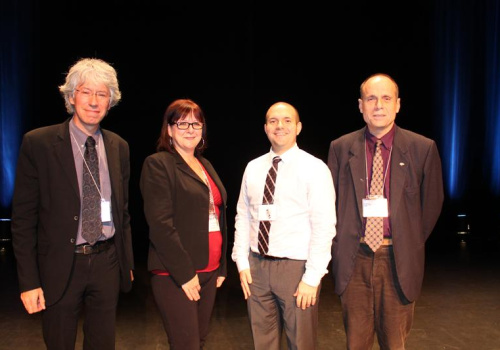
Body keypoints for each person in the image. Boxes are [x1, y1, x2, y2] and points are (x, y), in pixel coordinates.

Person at [11, 57, 134, 349]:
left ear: (110, 101)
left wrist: (125, 262)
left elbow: (123, 212)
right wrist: (29, 282)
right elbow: (23, 220)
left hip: (107, 263)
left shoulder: (119, 146)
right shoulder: (38, 143)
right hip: (59, 266)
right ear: (71, 96)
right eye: (86, 92)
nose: (94, 101)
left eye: (102, 94)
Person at [327, 73, 444, 349]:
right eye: (371, 98)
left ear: (398, 104)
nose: (378, 105)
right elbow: (329, 204)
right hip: (354, 258)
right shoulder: (340, 148)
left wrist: (408, 239)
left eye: (386, 98)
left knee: (394, 343)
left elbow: (431, 205)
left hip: (397, 259)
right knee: (356, 342)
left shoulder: (422, 148)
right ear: (360, 106)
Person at [231, 101, 337, 350]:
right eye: (273, 121)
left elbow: (324, 225)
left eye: (287, 120)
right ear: (266, 128)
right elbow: (243, 216)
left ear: (298, 127)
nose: (280, 126)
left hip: (296, 269)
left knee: (300, 343)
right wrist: (242, 261)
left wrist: (312, 277)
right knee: (262, 343)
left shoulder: (315, 169)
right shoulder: (253, 167)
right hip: (256, 267)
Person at [140, 98, 227, 350]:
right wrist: (185, 273)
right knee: (185, 344)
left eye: (196, 124)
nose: (190, 129)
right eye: (182, 123)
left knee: (198, 341)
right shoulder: (158, 164)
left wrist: (221, 267)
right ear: (169, 129)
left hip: (209, 269)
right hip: (176, 274)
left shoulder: (205, 164)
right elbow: (160, 225)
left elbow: (217, 216)